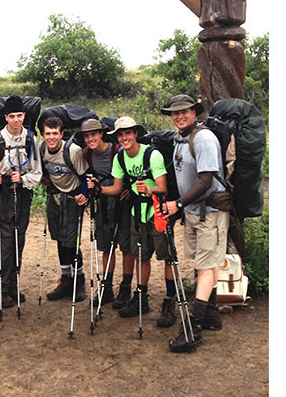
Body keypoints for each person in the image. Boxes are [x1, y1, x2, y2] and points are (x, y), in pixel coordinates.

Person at [91, 116, 177, 327]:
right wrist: (98, 189)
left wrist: (148, 190)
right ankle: (141, 297)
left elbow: (163, 189)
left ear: (136, 133)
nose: (124, 138)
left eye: (128, 133)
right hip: (137, 213)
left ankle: (170, 301)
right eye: (120, 134)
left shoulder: (152, 155)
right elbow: (117, 188)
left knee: (167, 257)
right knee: (141, 255)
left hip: (158, 212)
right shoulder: (120, 157)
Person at [160, 94, 229, 352]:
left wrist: (177, 204)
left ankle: (193, 328)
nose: (179, 116)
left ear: (194, 113)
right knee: (205, 264)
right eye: (175, 112)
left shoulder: (203, 138)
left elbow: (206, 180)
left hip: (210, 211)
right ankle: (211, 314)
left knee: (205, 266)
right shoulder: (180, 139)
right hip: (194, 211)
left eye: (184, 111)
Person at [0, 95, 43, 308]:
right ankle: (0, 288)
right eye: (12, 116)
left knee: (19, 239)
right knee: (4, 241)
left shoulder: (31, 139)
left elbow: (37, 172)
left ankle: (13, 285)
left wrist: (23, 179)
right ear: (6, 117)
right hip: (3, 195)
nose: (16, 120)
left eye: (19, 116)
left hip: (22, 194)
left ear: (24, 116)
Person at [78, 119, 134, 309]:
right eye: (87, 136)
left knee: (126, 246)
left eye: (93, 134)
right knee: (106, 246)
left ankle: (125, 288)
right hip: (103, 203)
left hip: (122, 202)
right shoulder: (87, 154)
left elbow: (131, 172)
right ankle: (107, 287)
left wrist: (130, 189)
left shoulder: (116, 151)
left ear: (102, 134)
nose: (90, 139)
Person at [39, 116, 89, 302]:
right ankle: (65, 278)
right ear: (43, 135)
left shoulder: (73, 151)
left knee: (71, 241)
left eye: (55, 133)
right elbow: (44, 169)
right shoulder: (42, 149)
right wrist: (46, 179)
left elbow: (85, 175)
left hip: (73, 197)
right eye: (48, 134)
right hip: (55, 197)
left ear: (61, 134)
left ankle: (79, 280)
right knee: (59, 238)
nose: (51, 137)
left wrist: (84, 194)